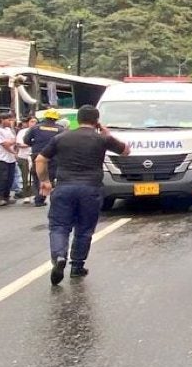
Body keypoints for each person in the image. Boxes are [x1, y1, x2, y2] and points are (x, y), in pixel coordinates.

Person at [35, 105, 128, 285]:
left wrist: (45, 181)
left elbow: (40, 159)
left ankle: (59, 256)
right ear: (97, 121)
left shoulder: (61, 137)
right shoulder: (102, 139)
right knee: (84, 230)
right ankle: (77, 266)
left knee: (59, 226)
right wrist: (107, 133)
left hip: (64, 188)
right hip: (90, 189)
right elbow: (126, 151)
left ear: (78, 119)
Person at [24, 109, 65, 207]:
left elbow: (26, 140)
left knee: (37, 176)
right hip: (53, 156)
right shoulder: (60, 129)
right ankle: (41, 198)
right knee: (49, 177)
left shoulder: (35, 128)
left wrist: (34, 144)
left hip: (37, 155)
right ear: (56, 119)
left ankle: (39, 198)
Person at [0, 113, 19, 207]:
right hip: (1, 158)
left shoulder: (9, 130)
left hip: (11, 159)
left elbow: (14, 140)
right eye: (8, 120)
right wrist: (13, 150)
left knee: (10, 178)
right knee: (1, 178)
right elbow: (5, 144)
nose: (10, 122)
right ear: (2, 120)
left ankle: (7, 196)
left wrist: (13, 145)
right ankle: (0, 197)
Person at [15, 116, 36, 203]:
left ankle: (35, 194)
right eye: (32, 121)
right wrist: (32, 144)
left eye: (35, 121)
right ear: (28, 122)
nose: (34, 123)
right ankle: (26, 195)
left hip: (35, 156)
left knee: (35, 177)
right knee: (25, 177)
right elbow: (20, 144)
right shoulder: (22, 132)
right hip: (24, 157)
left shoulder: (38, 131)